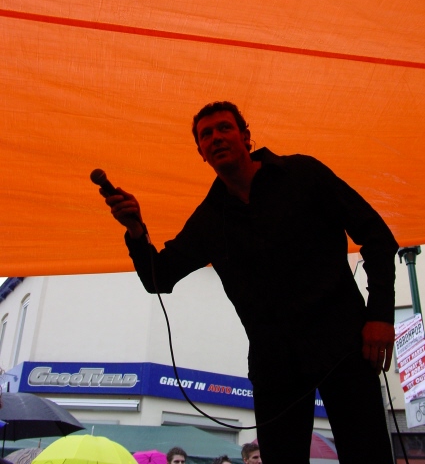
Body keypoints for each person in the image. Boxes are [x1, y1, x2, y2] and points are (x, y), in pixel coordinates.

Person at [100, 101, 398, 464]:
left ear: (245, 136)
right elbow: (158, 277)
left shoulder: (303, 174)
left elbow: (377, 237)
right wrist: (136, 229)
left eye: (224, 128)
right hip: (276, 365)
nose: (215, 137)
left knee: (368, 454)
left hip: (345, 345)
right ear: (201, 152)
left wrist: (380, 315)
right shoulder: (210, 218)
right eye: (206, 134)